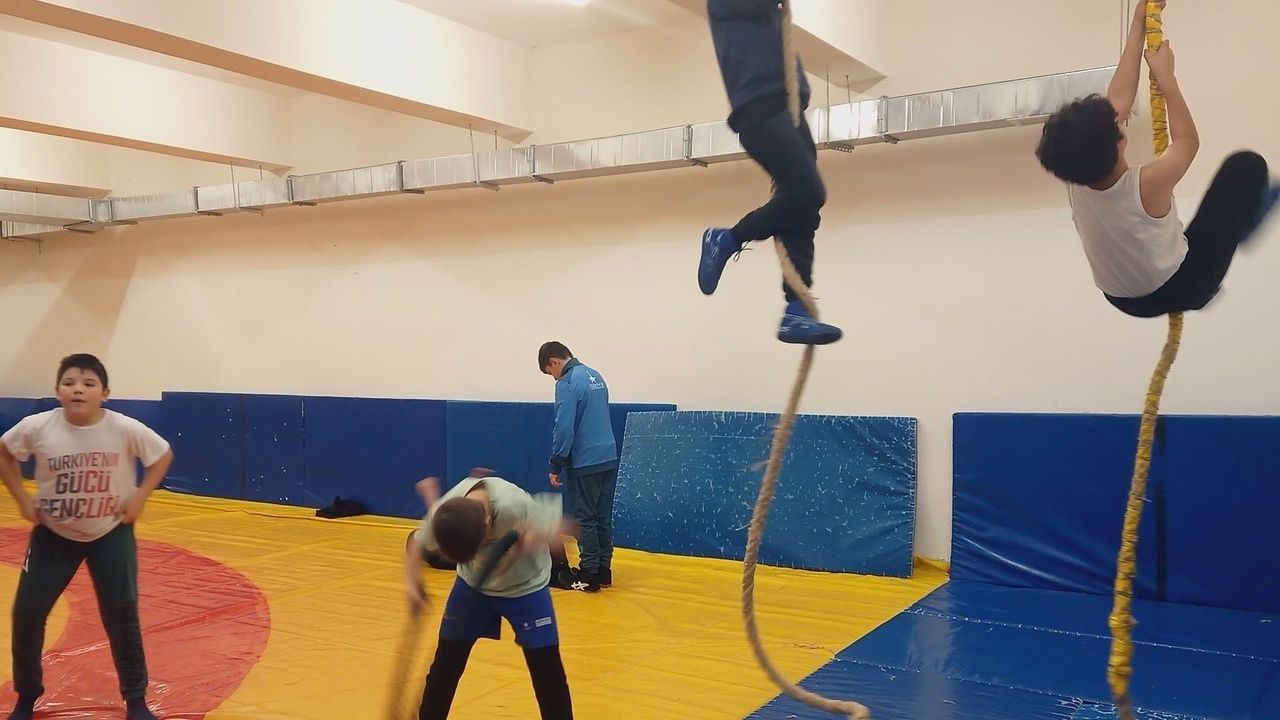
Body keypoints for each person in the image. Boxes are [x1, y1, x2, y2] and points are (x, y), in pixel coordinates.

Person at [1035, 0, 1278, 318]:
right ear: (1120, 142)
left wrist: (1139, 22)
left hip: (1122, 300)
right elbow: (1187, 142)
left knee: (1172, 240)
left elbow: (1118, 99)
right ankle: (1243, 228)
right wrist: (1166, 78)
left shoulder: (1075, 181)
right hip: (1186, 286)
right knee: (1246, 166)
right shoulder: (1148, 183)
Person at [0, 353, 174, 720]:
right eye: (70, 383)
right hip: (54, 533)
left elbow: (162, 455)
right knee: (27, 614)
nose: (78, 389)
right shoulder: (37, 427)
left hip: (110, 531)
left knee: (121, 613)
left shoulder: (123, 428)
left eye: (88, 383)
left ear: (104, 393)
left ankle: (136, 699)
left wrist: (140, 497)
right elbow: (5, 452)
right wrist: (21, 498)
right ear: (57, 390)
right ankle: (26, 696)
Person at [698, 0, 843, 345]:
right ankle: (726, 239)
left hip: (789, 107)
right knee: (808, 192)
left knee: (805, 206)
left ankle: (797, 308)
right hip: (759, 108)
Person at [404, 474, 573, 720]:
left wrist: (537, 538)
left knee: (548, 675)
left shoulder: (516, 505)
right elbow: (417, 543)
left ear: (487, 521)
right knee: (445, 667)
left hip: (525, 587)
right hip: (472, 586)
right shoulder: (448, 512)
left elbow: (565, 528)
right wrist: (412, 583)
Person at [538, 342, 617, 593]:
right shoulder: (596, 375)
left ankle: (588, 574)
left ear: (554, 362)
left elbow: (564, 428)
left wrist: (556, 463)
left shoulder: (567, 383)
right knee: (602, 517)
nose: (553, 377)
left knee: (585, 518)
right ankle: (604, 571)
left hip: (585, 460)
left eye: (550, 372)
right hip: (608, 455)